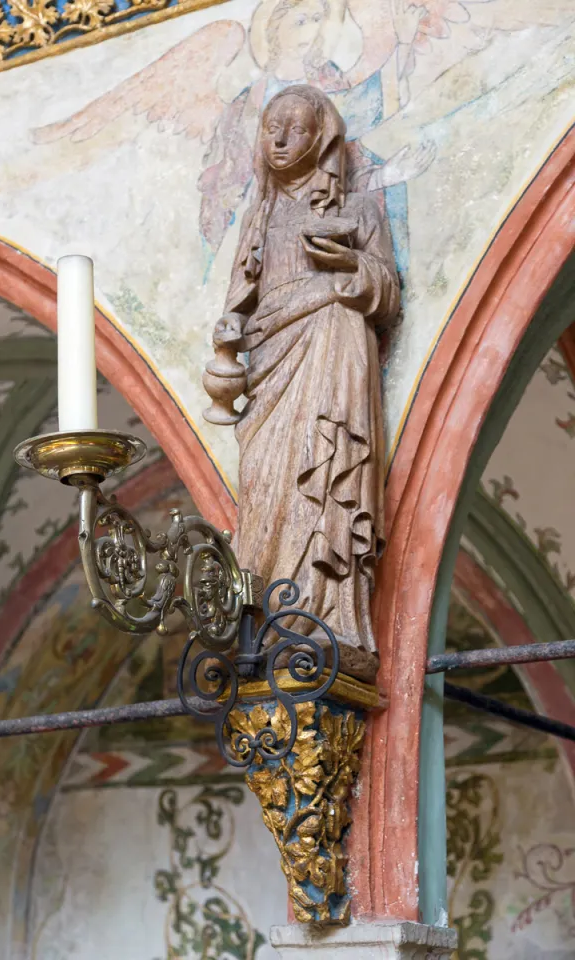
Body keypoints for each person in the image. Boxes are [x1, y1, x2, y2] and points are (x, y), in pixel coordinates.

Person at [213, 85, 400, 676]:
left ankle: (331, 616)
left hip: (332, 345)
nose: (279, 137)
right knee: (266, 482)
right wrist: (227, 335)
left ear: (320, 137)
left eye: (294, 127)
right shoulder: (262, 216)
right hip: (272, 362)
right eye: (271, 126)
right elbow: (237, 306)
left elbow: (387, 293)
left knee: (326, 473)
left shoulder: (356, 210)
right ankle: (268, 613)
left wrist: (347, 265)